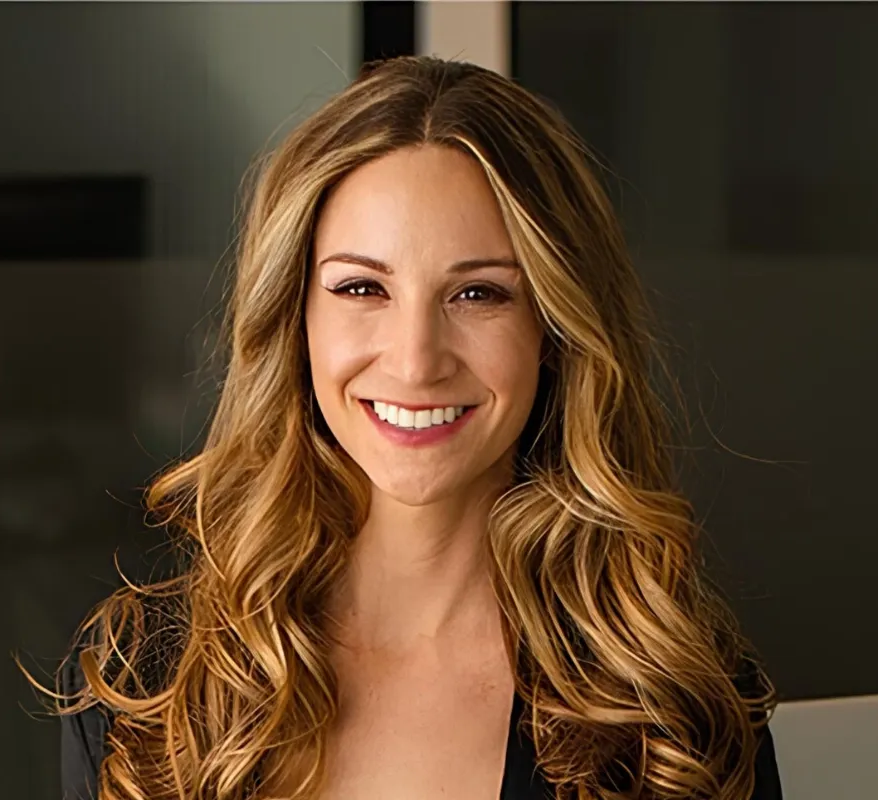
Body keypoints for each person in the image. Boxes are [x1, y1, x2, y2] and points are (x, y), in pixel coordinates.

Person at [49, 56, 782, 800]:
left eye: (477, 293)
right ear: (294, 317)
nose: (415, 360)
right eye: (362, 287)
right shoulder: (143, 684)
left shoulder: (670, 713)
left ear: (554, 331)